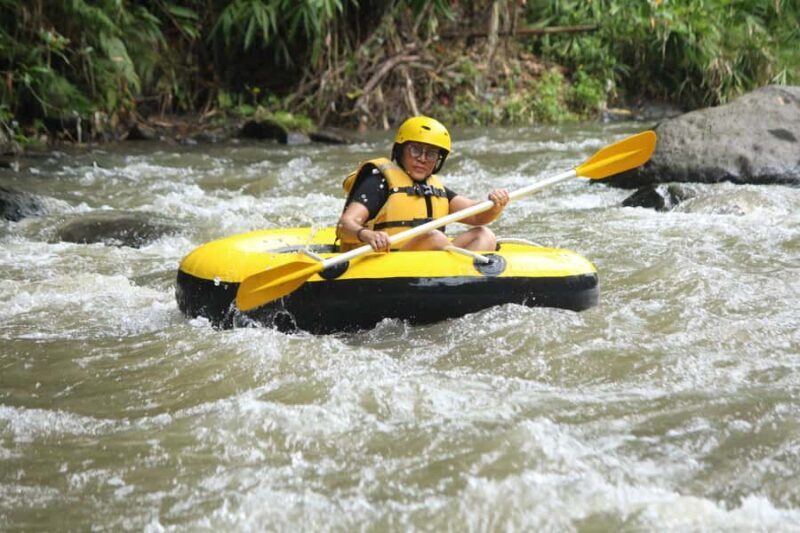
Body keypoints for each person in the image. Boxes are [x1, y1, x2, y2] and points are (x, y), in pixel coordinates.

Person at [336, 116, 509, 253]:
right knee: (434, 237)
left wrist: (495, 204)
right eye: (416, 150)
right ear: (401, 150)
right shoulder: (378, 183)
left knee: (483, 235)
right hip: (385, 261)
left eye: (431, 154)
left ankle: (464, 284)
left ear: (438, 161)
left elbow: (476, 215)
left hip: (429, 262)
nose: (422, 159)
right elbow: (345, 225)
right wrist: (366, 235)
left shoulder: (436, 189)